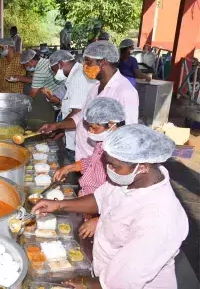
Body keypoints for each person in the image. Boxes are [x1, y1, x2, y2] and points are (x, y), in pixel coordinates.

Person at [33, 124, 188, 289]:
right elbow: (100, 199)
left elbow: (123, 281)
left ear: (142, 166)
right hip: (103, 272)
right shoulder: (129, 179)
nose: (109, 170)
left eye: (115, 166)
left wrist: (84, 283)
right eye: (108, 163)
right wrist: (57, 205)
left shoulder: (160, 218)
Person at [39, 41, 139, 161]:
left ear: (103, 62)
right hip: (84, 157)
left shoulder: (125, 92)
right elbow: (81, 116)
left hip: (101, 161)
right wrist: (56, 126)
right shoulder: (96, 87)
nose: (84, 66)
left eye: (88, 61)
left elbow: (128, 133)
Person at [54, 97, 125, 239]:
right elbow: (92, 162)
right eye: (89, 126)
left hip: (102, 214)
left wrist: (99, 221)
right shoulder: (102, 142)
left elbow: (123, 198)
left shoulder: (121, 154)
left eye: (94, 127)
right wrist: (70, 167)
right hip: (87, 203)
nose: (90, 131)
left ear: (112, 124)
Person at [48, 50, 94, 159]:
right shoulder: (75, 75)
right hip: (74, 133)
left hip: (79, 138)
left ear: (61, 64)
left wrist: (57, 127)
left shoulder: (79, 77)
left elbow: (76, 112)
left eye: (54, 70)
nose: (55, 74)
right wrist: (61, 129)